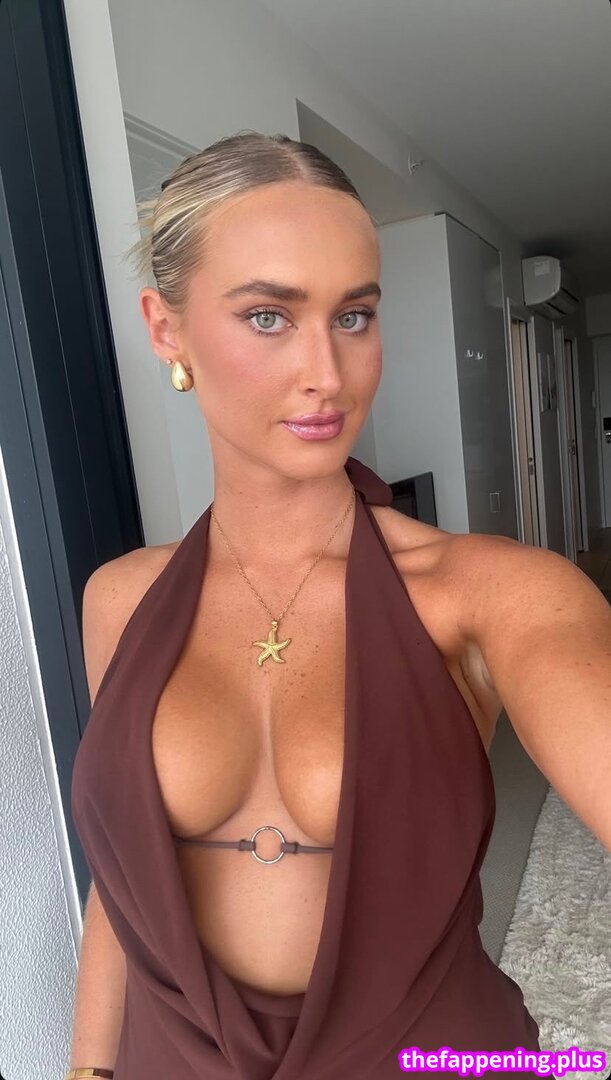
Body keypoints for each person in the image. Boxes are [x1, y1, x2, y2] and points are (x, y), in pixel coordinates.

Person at [68, 131, 611, 1080]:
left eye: (353, 316)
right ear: (167, 329)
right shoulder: (120, 600)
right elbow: (124, 879)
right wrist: (86, 1069)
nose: (328, 371)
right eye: (268, 316)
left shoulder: (489, 593)